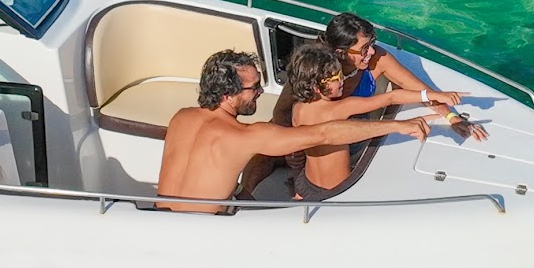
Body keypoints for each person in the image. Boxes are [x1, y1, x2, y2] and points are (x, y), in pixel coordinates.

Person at [155, 50, 429, 213]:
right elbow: (323, 134)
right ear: (228, 94)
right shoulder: (244, 135)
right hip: (204, 231)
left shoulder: (181, 118)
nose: (261, 93)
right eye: (254, 88)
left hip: (158, 217)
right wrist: (397, 125)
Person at [261, 44, 478, 201]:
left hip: (305, 184)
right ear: (317, 87)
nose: (342, 80)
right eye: (335, 78)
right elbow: (391, 97)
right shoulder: (339, 108)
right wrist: (435, 96)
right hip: (335, 190)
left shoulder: (299, 107)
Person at [323, 12, 430, 101]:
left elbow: (418, 88)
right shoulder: (320, 77)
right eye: (364, 48)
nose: (372, 51)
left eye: (371, 42)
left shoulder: (377, 58)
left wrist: (447, 115)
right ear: (341, 53)